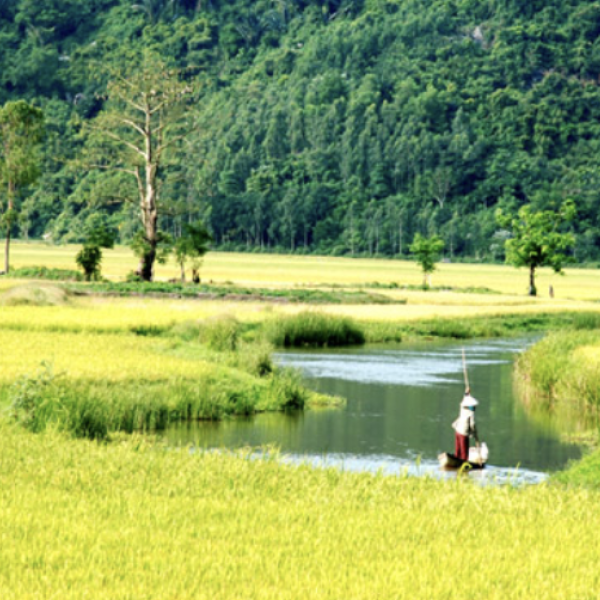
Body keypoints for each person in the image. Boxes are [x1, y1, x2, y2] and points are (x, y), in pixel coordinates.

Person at [452, 388, 479, 461]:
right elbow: (472, 424)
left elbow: (464, 399)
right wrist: (474, 434)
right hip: (463, 433)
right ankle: (462, 467)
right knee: (464, 455)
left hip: (457, 431)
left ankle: (456, 463)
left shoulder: (462, 407)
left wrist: (466, 393)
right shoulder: (471, 413)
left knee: (457, 452)